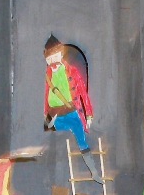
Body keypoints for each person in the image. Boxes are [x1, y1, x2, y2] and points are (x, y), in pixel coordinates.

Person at [43, 35, 101, 183]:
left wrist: (89, 114)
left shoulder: (72, 71)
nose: (52, 62)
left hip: (71, 111)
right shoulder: (48, 74)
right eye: (49, 59)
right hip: (54, 113)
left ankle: (94, 172)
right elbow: (47, 94)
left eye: (55, 57)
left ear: (61, 54)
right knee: (52, 140)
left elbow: (83, 93)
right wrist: (45, 113)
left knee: (82, 141)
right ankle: (54, 177)